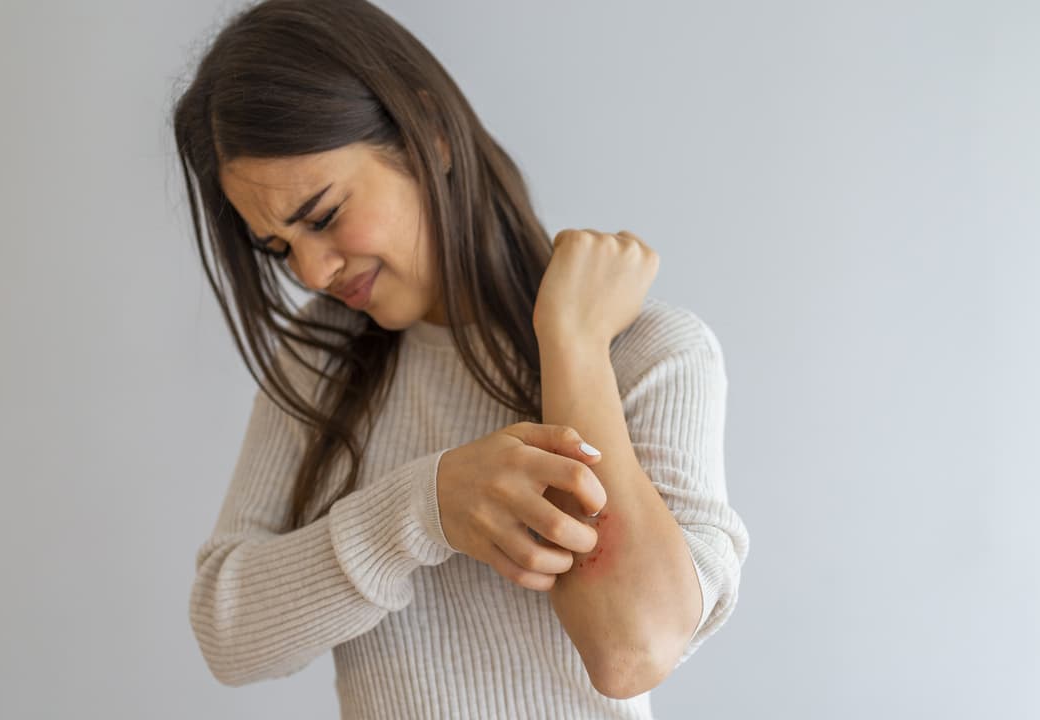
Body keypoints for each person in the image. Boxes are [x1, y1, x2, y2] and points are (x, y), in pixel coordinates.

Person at [173, 1, 750, 717]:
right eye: (278, 247)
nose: (312, 272)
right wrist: (426, 507)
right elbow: (229, 635)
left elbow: (629, 650)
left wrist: (570, 344)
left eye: (322, 216)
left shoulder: (648, 353)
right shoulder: (320, 364)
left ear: (432, 136)